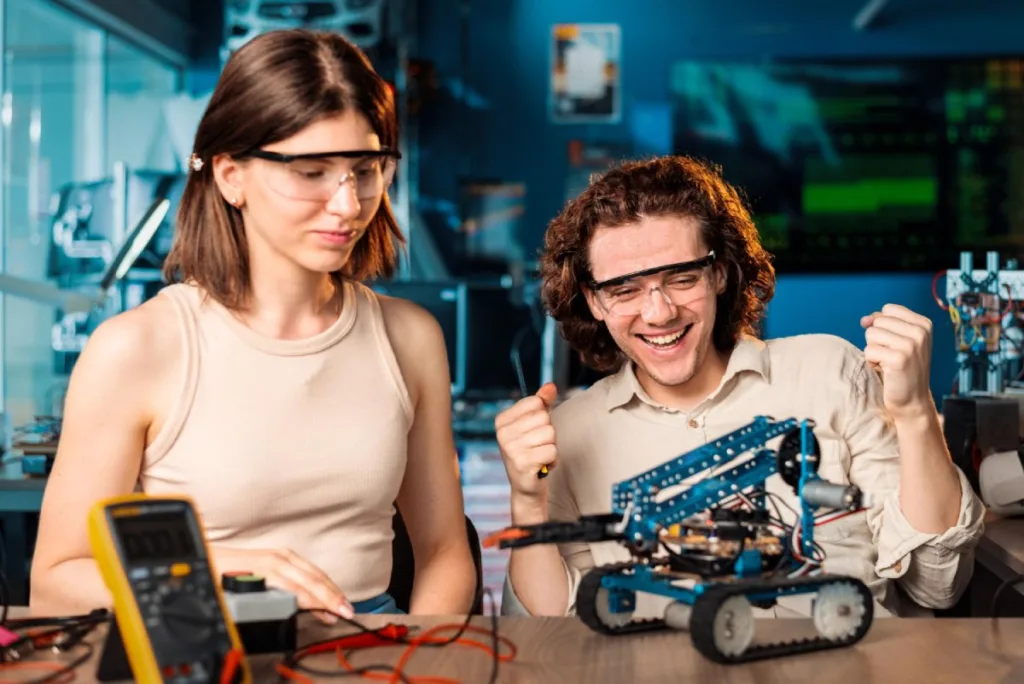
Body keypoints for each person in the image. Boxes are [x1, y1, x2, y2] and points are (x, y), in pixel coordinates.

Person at [30, 29, 477, 620]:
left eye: (366, 169)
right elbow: (58, 582)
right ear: (229, 175)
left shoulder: (410, 337)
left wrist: (415, 658)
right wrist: (227, 574)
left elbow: (445, 551)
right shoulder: (137, 348)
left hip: (374, 649)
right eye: (312, 171)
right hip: (209, 646)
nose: (348, 204)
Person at [496, 155, 984, 619]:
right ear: (594, 302)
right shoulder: (565, 437)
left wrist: (915, 409)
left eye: (682, 278)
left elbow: (937, 586)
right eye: (624, 290)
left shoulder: (831, 371)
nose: (659, 312)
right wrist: (526, 498)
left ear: (721, 273)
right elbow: (552, 627)